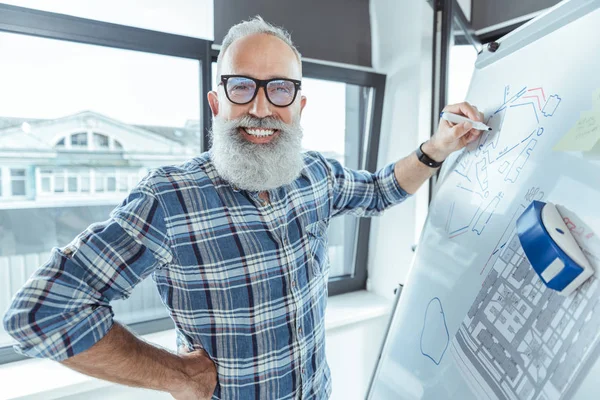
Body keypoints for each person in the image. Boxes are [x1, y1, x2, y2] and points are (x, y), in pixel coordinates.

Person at [3, 16, 484, 400]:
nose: (260, 107)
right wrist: (177, 375)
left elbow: (381, 189)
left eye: (279, 89)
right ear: (216, 103)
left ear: (299, 104)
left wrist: (436, 148)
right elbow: (41, 314)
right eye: (241, 87)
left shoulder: (315, 174)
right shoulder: (169, 199)